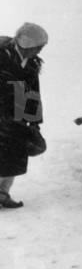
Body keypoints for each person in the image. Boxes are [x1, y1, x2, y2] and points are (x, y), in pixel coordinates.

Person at [0, 23, 48, 209]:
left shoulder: (32, 63)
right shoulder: (2, 58)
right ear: (26, 43)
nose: (39, 51)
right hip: (3, 114)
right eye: (37, 47)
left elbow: (33, 93)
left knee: (12, 157)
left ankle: (3, 193)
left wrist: (35, 122)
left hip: (17, 116)